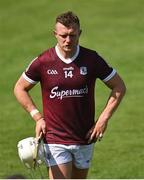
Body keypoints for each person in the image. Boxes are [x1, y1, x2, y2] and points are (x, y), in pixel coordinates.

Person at [14, 11, 126, 179]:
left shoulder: (92, 59)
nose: (68, 40)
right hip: (55, 138)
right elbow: (19, 87)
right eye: (63, 35)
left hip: (85, 137)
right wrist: (37, 117)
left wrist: (103, 119)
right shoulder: (43, 61)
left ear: (79, 33)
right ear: (55, 34)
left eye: (72, 35)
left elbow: (119, 86)